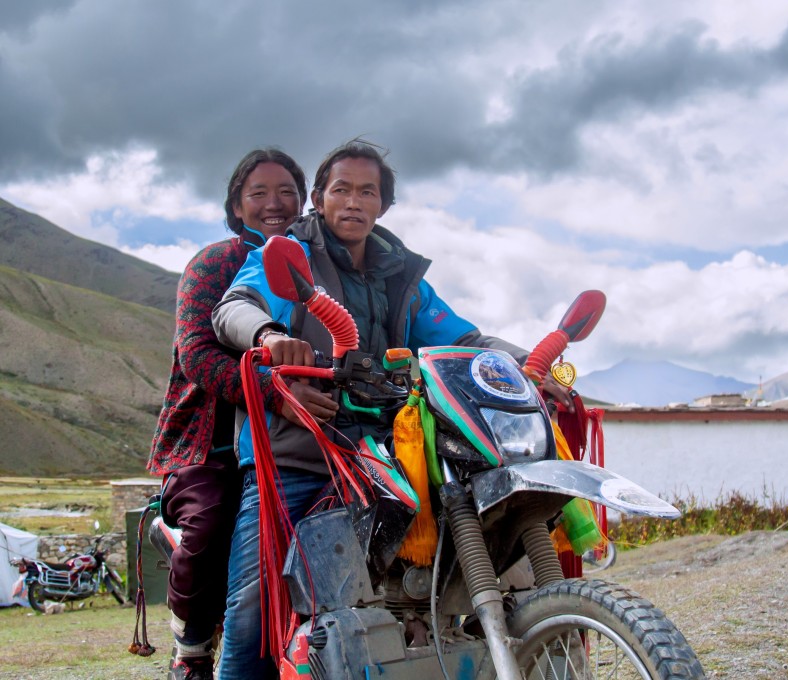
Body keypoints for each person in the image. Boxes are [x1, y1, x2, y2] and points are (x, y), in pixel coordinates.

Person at [211, 139, 553, 678]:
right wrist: (271, 335)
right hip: (298, 449)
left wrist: (527, 362)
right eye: (340, 189)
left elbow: (462, 337)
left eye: (366, 191)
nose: (353, 202)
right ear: (318, 199)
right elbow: (234, 307)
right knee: (254, 604)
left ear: (383, 205)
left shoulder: (401, 275)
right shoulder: (288, 253)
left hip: (383, 451)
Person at [148, 148, 312, 680]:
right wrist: (271, 388)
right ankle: (192, 647)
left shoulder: (316, 262)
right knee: (213, 519)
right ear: (237, 206)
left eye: (287, 191)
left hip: (294, 436)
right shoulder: (214, 263)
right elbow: (195, 354)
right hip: (211, 441)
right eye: (258, 193)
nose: (274, 203)